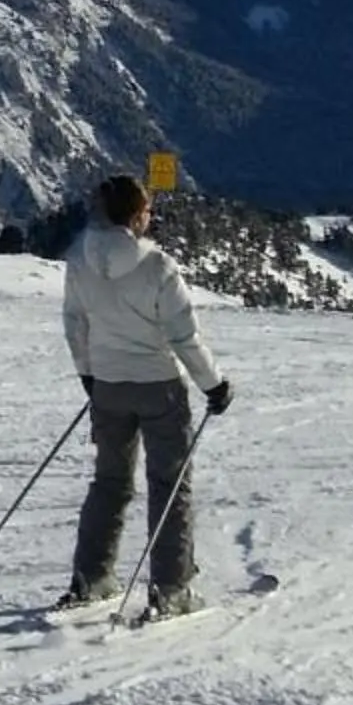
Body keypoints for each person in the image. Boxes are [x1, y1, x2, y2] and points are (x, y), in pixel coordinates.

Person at [57, 173, 233, 618]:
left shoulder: (79, 259)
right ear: (137, 215)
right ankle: (171, 588)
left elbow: (75, 324)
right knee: (169, 485)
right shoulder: (157, 266)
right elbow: (184, 337)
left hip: (109, 387)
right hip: (159, 388)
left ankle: (91, 578)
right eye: (148, 210)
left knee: (110, 482)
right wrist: (213, 383)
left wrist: (89, 376)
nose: (151, 217)